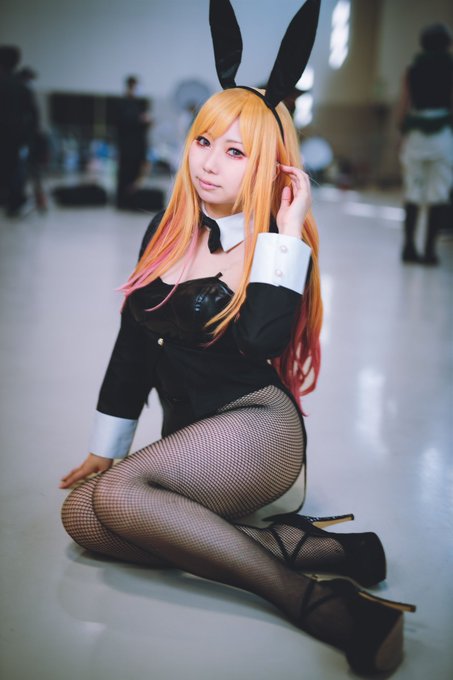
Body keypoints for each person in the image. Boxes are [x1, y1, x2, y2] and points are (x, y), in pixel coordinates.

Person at [60, 1, 414, 674]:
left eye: (234, 152)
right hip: (191, 441)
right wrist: (107, 447)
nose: (209, 164)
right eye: (203, 142)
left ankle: (316, 603)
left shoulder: (272, 246)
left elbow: (261, 342)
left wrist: (287, 231)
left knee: (117, 500)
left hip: (256, 430)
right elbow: (134, 342)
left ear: (268, 164)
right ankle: (325, 551)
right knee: (83, 514)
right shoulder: (165, 230)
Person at [397, 22, 453, 264]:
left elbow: (404, 103)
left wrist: (401, 134)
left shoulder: (413, 69)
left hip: (416, 135)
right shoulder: (450, 67)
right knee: (438, 193)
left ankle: (409, 247)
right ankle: (430, 251)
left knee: (413, 190)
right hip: (442, 136)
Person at [0, 45, 35, 216]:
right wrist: (27, 137)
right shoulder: (21, 87)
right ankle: (13, 203)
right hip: (15, 139)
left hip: (8, 137)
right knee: (14, 171)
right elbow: (33, 116)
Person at [115, 75, 151, 209]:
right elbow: (123, 123)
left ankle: (132, 200)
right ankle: (122, 201)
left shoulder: (138, 104)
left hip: (138, 146)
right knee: (126, 174)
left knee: (136, 174)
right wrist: (139, 119)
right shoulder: (123, 103)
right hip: (127, 147)